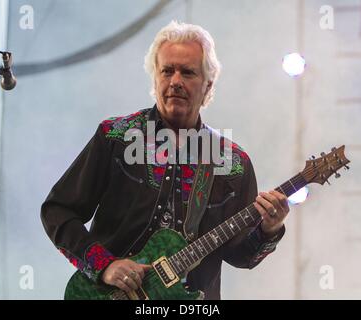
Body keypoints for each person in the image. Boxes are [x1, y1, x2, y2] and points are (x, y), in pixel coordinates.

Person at [40, 20, 289, 300]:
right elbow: (57, 211)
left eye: (188, 72)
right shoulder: (116, 137)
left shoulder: (233, 163)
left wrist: (270, 229)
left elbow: (241, 256)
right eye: (167, 71)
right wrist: (104, 265)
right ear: (155, 78)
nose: (175, 81)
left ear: (208, 85)